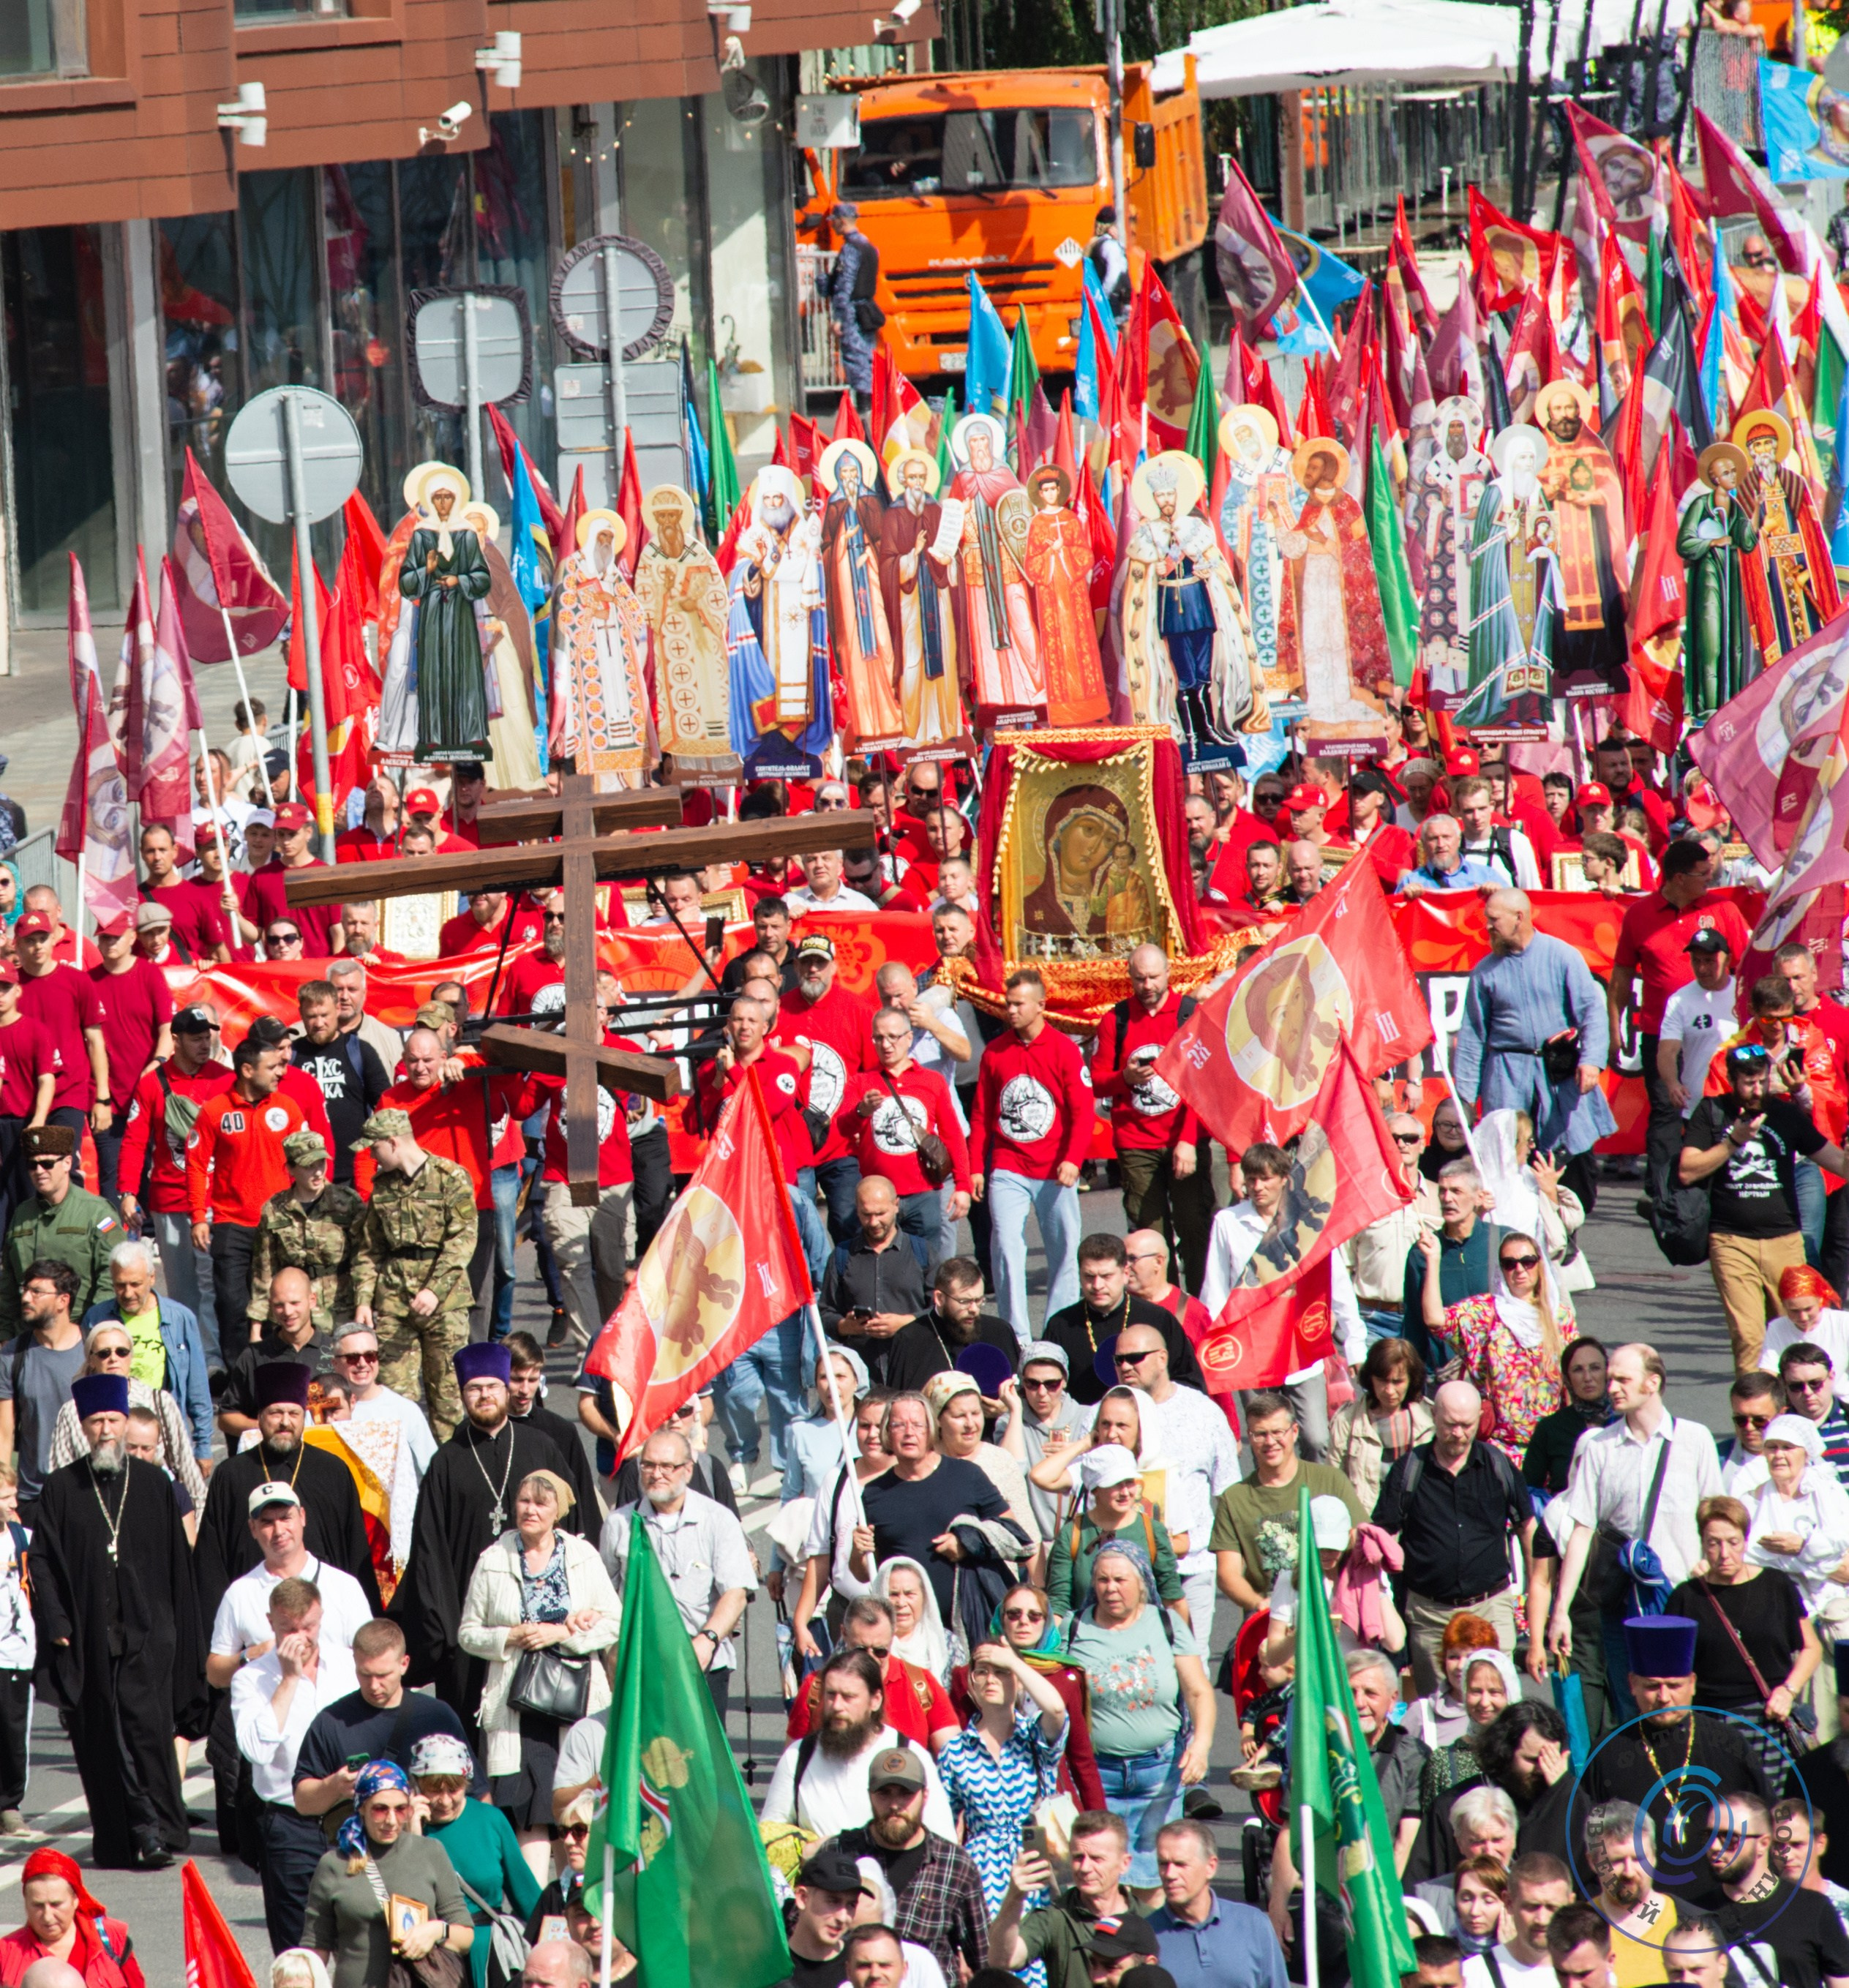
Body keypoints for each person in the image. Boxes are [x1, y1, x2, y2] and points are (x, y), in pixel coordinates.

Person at [29, 1372, 206, 1869]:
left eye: (112, 1419)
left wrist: (179, 1630)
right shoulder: (63, 1488)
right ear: (83, 1427)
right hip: (90, 1634)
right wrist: (58, 1619)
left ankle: (158, 1826)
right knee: (107, 1734)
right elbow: (41, 1558)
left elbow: (178, 1564)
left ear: (126, 1422)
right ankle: (137, 1829)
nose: (105, 1429)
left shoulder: (153, 1484)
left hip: (149, 1633)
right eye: (96, 1421)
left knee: (147, 1730)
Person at [394, 1343, 583, 1752]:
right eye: (474, 1389)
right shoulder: (445, 1463)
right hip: (472, 1626)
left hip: (539, 1622)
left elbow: (575, 1528)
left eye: (493, 1387)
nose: (485, 1396)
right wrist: (445, 1633)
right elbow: (429, 1554)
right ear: (462, 1395)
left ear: (505, 1389)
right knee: (470, 1736)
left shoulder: (540, 1447)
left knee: (536, 1739)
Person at [1684, 1043, 1849, 1371]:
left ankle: (1795, 1411)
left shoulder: (1784, 1114)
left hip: (1784, 1241)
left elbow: (1836, 1163)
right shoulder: (1712, 1112)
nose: (1756, 1090)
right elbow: (1688, 1170)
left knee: (1794, 1331)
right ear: (1731, 1079)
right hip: (1731, 1240)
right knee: (1749, 1335)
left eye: (1761, 1081)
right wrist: (1733, 1141)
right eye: (1748, 1083)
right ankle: (1754, 1415)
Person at [1452, 890, 1616, 1211]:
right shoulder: (1485, 971)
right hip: (1507, 1072)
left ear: (1519, 918)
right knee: (1508, 1160)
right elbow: (1472, 1037)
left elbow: (1592, 1012)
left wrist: (1592, 1061)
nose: (1488, 927)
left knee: (1572, 1162)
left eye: (1494, 920)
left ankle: (1567, 1235)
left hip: (1558, 1073)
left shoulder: (1562, 956)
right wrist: (1466, 1098)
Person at [1065, 1542, 1215, 1894]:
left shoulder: (1166, 1623)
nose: (1110, 1588)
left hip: (1158, 1773)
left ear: (1141, 1582)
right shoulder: (1075, 1627)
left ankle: (1151, 1949)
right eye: (1102, 1580)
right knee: (1101, 1881)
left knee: (1156, 1879)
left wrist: (1203, 1743)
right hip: (1097, 1774)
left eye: (1120, 1579)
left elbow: (1198, 1691)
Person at [1373, 1379, 1535, 1690]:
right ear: (1434, 1417)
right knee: (1436, 1712)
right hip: (1429, 1613)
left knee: (1497, 1704)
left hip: (1490, 1606)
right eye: (1450, 1424)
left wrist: (1535, 1597)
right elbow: (1383, 1536)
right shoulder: (1409, 1469)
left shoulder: (1497, 1465)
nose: (1458, 1434)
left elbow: (1527, 1529)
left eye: (1467, 1425)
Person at [194, 1360, 379, 1629]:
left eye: (293, 1414)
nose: (284, 1423)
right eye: (275, 1413)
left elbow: (354, 1549)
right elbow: (212, 1562)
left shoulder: (332, 1471)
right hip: (252, 1613)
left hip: (324, 1613)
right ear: (259, 1417)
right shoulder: (231, 1475)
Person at [233, 1575, 361, 1951]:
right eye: (289, 1628)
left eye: (309, 1627)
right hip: (289, 1823)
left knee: (363, 1943)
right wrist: (288, 1680)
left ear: (321, 1618)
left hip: (351, 1815)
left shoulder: (348, 1665)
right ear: (271, 1623)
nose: (301, 1638)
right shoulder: (251, 1679)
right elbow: (255, 1750)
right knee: (298, 1948)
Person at [969, 970, 1092, 1346]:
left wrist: (1073, 1159)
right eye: (1008, 1003)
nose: (1010, 1010)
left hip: (1055, 1171)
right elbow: (980, 1114)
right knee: (1006, 1247)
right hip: (1008, 1168)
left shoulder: (1064, 1050)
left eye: (1018, 1004)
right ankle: (1017, 1338)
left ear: (1041, 1005)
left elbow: (1082, 1111)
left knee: (1065, 1252)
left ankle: (1058, 1337)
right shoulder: (994, 1052)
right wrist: (976, 1167)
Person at [851, 1393, 1027, 1651]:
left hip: (973, 1626)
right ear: (888, 1432)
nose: (909, 1433)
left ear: (931, 1429)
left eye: (917, 1425)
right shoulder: (874, 1494)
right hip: (912, 1637)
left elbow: (1016, 1537)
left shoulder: (966, 1475)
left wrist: (968, 1542)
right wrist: (858, 1552)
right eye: (899, 1425)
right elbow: (864, 1571)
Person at [602, 1428, 756, 1714]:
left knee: (700, 1758)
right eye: (648, 1465)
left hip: (702, 1662)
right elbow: (605, 1595)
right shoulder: (619, 1524)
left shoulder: (718, 1521)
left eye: (667, 1466)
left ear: (687, 1470)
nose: (656, 1474)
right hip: (641, 1666)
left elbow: (736, 1593)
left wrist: (707, 1640)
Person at [350, 1106, 480, 1440]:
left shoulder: (450, 1176)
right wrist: (364, 1300)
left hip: (444, 1302)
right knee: (394, 1399)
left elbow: (463, 1239)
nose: (371, 1155)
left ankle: (450, 1475)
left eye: (374, 1147)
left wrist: (435, 1289)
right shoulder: (382, 1187)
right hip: (394, 1302)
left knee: (448, 1399)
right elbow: (370, 1248)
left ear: (392, 1143)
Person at [1090, 949, 1212, 1298]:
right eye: (1139, 978)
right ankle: (1163, 1304)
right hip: (1135, 1143)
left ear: (1168, 972)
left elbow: (1201, 1083)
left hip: (1183, 1139)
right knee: (1151, 1234)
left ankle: (1201, 1304)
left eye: (1154, 977)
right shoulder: (1117, 1019)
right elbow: (1098, 1081)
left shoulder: (1189, 1013)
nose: (1147, 985)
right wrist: (1124, 1077)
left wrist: (1188, 1140)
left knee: (1194, 1226)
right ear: (1129, 977)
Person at [1668, 1491, 1818, 1767]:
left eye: (1732, 1542)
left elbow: (1811, 1647)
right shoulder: (1685, 1598)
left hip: (1770, 1718)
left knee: (1778, 1807)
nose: (1724, 1554)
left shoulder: (1776, 1585)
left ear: (1745, 1541)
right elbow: (1672, 1670)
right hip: (1710, 1722)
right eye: (1713, 1544)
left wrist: (1788, 1691)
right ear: (1702, 1543)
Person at [292, 1618, 480, 1829]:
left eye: (383, 1675)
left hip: (429, 1849)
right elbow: (302, 1802)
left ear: (404, 1664)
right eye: (365, 1674)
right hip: (360, 1856)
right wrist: (334, 1786)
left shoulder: (437, 1716)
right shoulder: (332, 1722)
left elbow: (477, 1792)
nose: (374, 1686)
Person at [302, 1760, 473, 1988]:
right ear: (361, 1808)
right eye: (380, 1809)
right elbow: (316, 1945)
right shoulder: (334, 1864)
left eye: (401, 1809)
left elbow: (465, 1936)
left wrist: (437, 1931)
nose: (391, 1821)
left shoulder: (430, 1852)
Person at [760, 1651, 956, 1840]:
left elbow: (943, 1842)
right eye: (831, 1695)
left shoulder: (910, 1756)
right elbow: (771, 1839)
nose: (837, 1706)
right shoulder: (797, 1757)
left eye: (848, 1697)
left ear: (875, 1700)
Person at [831, 1747, 989, 1979]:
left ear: (925, 1795)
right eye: (885, 1793)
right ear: (870, 1795)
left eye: (905, 1793)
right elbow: (802, 1942)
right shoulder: (839, 1854)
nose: (895, 1804)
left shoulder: (956, 1866)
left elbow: (985, 1962)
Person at [1209, 1392, 1365, 1616]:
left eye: (1277, 1432)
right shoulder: (1234, 1499)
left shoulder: (1331, 1480)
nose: (1270, 1442)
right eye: (1260, 1434)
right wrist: (1259, 1604)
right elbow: (1227, 1574)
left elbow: (1359, 1539)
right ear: (1250, 1437)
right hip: (1268, 1620)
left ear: (1294, 1432)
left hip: (1331, 1613)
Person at [1419, 1228, 1565, 1461]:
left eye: (1527, 1262)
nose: (1519, 1269)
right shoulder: (1485, 1312)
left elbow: (1572, 1380)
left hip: (1550, 1448)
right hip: (1500, 1448)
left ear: (1539, 1264)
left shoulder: (1561, 1317)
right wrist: (1433, 1259)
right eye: (1510, 1263)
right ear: (1501, 1269)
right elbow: (1435, 1319)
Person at [410, 1734, 541, 1988]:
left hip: (487, 1952)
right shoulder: (403, 1828)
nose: (445, 1800)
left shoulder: (490, 1820)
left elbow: (528, 1897)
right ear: (416, 1785)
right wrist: (413, 1837)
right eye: (435, 1789)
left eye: (454, 1788)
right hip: (430, 1954)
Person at [1045, 1234, 1205, 1410]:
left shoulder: (1157, 1320)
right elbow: (1045, 1384)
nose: (1097, 1286)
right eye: (1089, 1276)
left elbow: (1188, 1382)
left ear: (1125, 1274)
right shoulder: (1061, 1325)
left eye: (1106, 1276)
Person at [1710, 1789, 1849, 1988]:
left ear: (1821, 1844)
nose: (1787, 1855)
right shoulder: (1711, 1910)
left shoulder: (1834, 1907)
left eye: (1797, 1844)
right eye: (1779, 1846)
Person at [984, 1811, 1139, 1988]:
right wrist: (1015, 1895)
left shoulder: (1147, 1919)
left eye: (1097, 1859)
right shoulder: (1056, 1917)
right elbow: (1002, 1960)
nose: (1085, 1868)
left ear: (1125, 1863)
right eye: (1078, 1857)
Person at [0, 1125, 118, 1341]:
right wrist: (4, 1334)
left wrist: (92, 1330)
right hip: (25, 1337)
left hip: (77, 1334)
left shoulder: (98, 1213)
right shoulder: (21, 1214)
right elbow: (7, 1281)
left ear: (67, 1163)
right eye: (32, 1165)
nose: (39, 1171)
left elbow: (110, 1276)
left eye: (47, 1164)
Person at [1145, 1820, 1286, 1988]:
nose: (1170, 1874)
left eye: (1180, 1864)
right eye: (1163, 1864)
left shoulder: (1254, 1924)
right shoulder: (1147, 1936)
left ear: (1210, 1867)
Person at [0, 1261, 86, 1522]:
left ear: (63, 1300)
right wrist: (5, 1498)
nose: (26, 1297)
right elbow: (4, 1435)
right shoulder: (11, 1355)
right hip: (32, 1498)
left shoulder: (94, 1351)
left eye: (37, 1292)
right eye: (25, 1290)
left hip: (84, 1492)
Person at [0, 1851, 146, 1988]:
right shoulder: (6, 1954)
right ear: (26, 1903)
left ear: (75, 1900)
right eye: (38, 1906)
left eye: (56, 1904)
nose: (47, 1916)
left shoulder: (111, 1938)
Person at [882, 1258, 1018, 1398]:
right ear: (940, 1298)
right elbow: (899, 1402)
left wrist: (1005, 1408)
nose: (974, 1309)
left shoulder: (1000, 1332)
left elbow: (1023, 1391)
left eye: (979, 1300)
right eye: (964, 1301)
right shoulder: (910, 1340)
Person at [1326, 1337, 1433, 1510]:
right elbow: (1333, 1482)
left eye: (1397, 1382)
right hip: (1365, 1522)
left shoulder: (1431, 1418)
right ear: (1371, 1378)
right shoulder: (1346, 1421)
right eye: (1383, 1381)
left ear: (1412, 1379)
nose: (1389, 1391)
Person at [1459, 1852, 1574, 1988]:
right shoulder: (1474, 1975)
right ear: (1508, 1902)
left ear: (1570, 1904)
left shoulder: (1593, 1974)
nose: (1542, 1920)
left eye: (1552, 1908)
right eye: (1531, 1907)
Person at [1396, 815, 1504, 896]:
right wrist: (1404, 899)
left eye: (1446, 837)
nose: (1441, 845)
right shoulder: (1411, 881)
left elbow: (1515, 909)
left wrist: (1499, 895)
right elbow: (1394, 919)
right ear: (1424, 844)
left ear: (1459, 840)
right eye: (1433, 839)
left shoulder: (1487, 876)